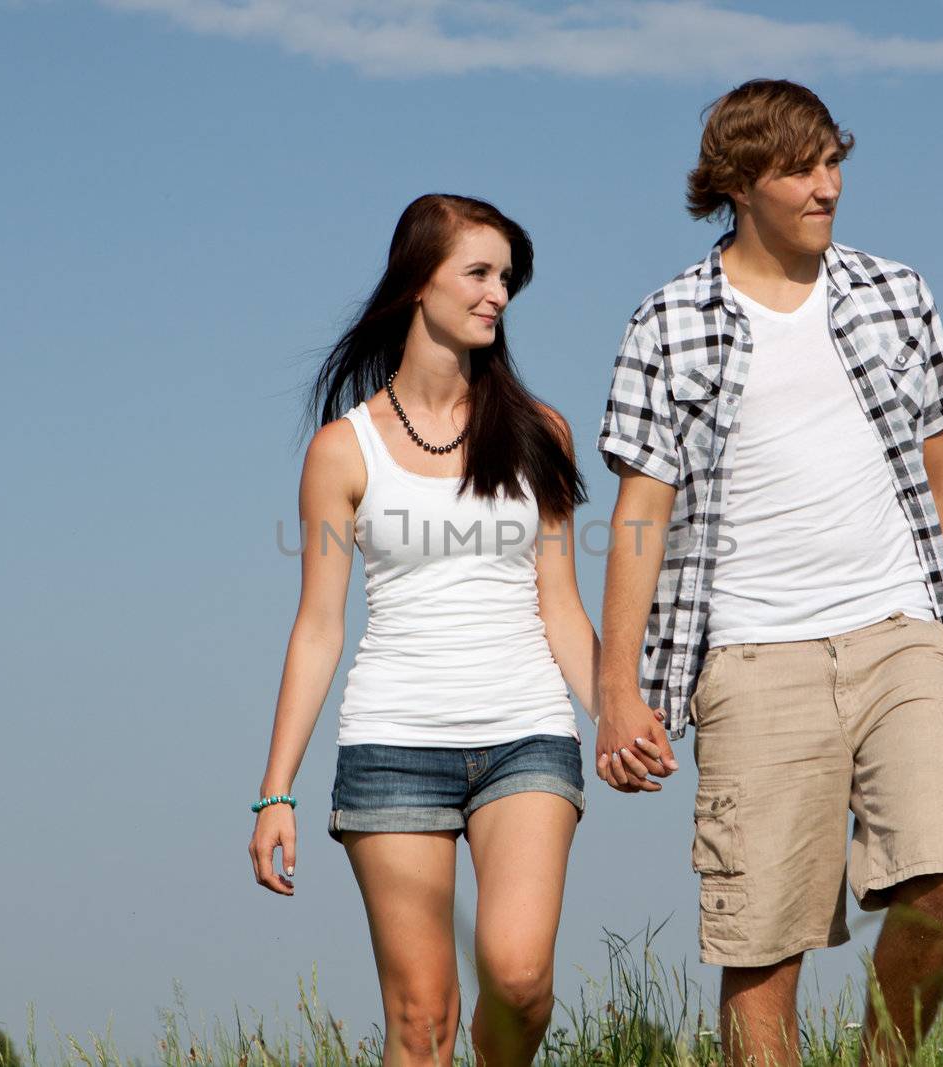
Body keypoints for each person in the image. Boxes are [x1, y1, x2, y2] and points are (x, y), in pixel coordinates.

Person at [594, 80, 943, 1067]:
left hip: (899, 633)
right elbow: (639, 520)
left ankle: (884, 1058)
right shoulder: (667, 321)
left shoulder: (894, 293)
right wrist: (618, 692)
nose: (827, 186)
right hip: (749, 654)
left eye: (834, 162)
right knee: (761, 947)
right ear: (739, 184)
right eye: (800, 169)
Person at [247, 193, 598, 1067]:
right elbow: (319, 627)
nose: (498, 295)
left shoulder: (539, 432)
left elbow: (561, 605)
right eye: (478, 273)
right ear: (417, 284)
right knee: (421, 1021)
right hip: (392, 744)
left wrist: (618, 713)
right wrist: (275, 788)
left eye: (507, 278)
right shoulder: (343, 449)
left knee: (519, 981)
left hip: (527, 733)